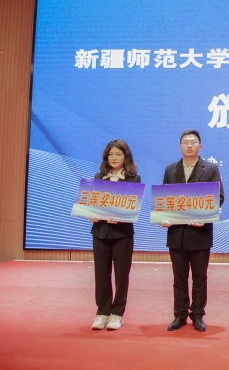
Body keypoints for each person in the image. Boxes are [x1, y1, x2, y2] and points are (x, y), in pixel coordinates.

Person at [161, 129, 224, 333]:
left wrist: (203, 217)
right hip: (176, 234)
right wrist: (164, 217)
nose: (189, 145)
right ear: (180, 146)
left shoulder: (211, 169)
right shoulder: (170, 169)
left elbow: (219, 197)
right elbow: (164, 199)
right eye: (185, 142)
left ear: (200, 146)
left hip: (200, 233)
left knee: (199, 277)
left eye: (193, 142)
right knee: (179, 278)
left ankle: (197, 314)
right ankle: (179, 314)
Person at [89, 139, 140, 330]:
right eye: (111, 154)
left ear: (126, 157)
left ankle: (117, 313)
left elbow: (133, 207)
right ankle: (102, 312)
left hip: (122, 234)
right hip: (100, 232)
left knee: (121, 275)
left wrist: (120, 217)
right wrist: (91, 214)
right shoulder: (98, 177)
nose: (114, 158)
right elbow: (92, 204)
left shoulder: (133, 179)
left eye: (118, 154)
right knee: (101, 274)